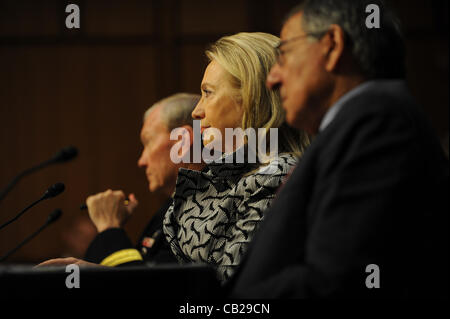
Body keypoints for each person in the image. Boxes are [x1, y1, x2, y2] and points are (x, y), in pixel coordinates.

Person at [229, 0, 449, 298]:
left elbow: (337, 281)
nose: (272, 78)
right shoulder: (362, 121)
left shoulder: (378, 123)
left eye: (284, 55)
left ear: (332, 46)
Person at [162, 32, 309, 282]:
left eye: (208, 93)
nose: (197, 111)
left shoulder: (278, 175)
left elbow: (228, 288)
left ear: (251, 98)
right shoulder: (225, 172)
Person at [38, 93, 204, 267]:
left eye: (148, 142)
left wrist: (110, 227)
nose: (142, 161)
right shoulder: (174, 209)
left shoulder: (202, 211)